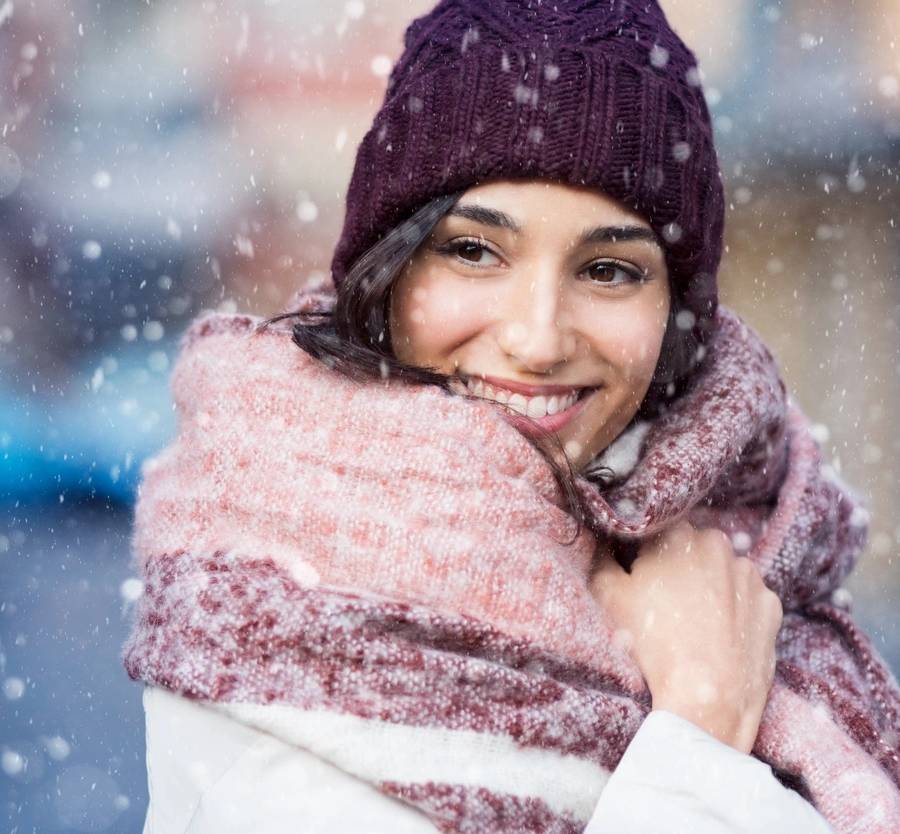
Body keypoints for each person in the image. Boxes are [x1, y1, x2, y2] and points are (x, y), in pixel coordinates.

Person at [123, 2, 900, 833]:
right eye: (472, 250)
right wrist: (700, 732)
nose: (537, 338)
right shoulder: (280, 602)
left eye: (608, 269)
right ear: (388, 270)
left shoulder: (737, 547)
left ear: (676, 309)